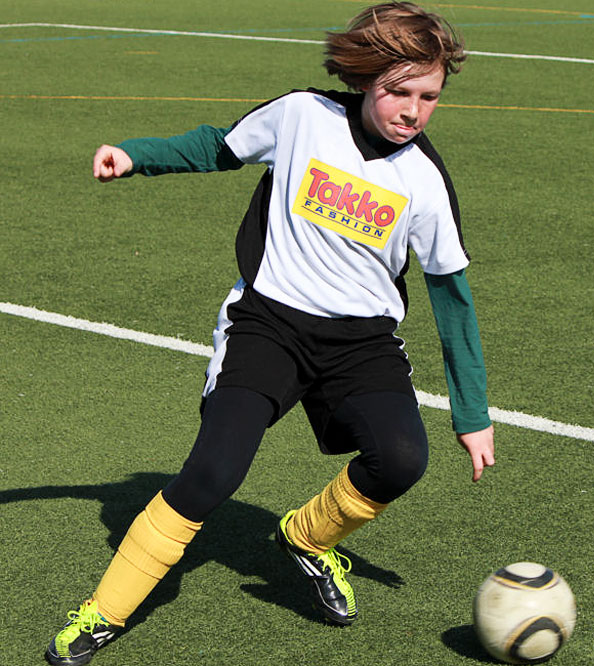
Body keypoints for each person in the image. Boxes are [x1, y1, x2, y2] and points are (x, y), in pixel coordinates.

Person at [45, 3, 495, 664]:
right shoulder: (302, 116)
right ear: (363, 78)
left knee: (401, 459)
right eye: (398, 91)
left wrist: (472, 413)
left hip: (362, 344)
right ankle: (102, 614)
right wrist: (136, 156)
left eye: (429, 97)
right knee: (212, 472)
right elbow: (218, 146)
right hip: (269, 326)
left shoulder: (425, 180)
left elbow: (451, 298)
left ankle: (307, 539)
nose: (413, 111)